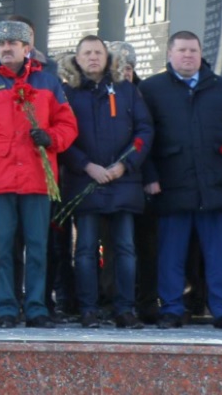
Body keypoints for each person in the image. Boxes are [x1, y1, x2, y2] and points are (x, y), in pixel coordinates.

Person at [0, 18, 77, 329]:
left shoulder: (48, 83)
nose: (5, 49)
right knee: (2, 248)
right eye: (0, 44)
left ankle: (37, 307)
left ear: (27, 49)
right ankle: (6, 309)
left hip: (38, 179)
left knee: (38, 247)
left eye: (12, 44)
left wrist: (51, 137)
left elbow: (68, 126)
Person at [139, 29, 222, 330]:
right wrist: (148, 175)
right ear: (169, 55)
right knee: (171, 255)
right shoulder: (152, 89)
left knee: (218, 255)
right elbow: (142, 136)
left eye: (193, 50)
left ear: (201, 54)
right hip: (171, 186)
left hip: (214, 185)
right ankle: (172, 309)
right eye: (182, 50)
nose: (188, 55)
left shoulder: (221, 87)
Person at [56, 35, 152, 329]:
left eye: (98, 52)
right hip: (85, 182)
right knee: (84, 248)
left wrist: (126, 164)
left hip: (122, 181)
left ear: (107, 57)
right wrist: (86, 165)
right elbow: (61, 135)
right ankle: (88, 308)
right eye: (87, 53)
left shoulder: (125, 90)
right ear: (77, 58)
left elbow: (145, 129)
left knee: (124, 248)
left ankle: (124, 308)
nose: (93, 57)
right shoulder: (67, 93)